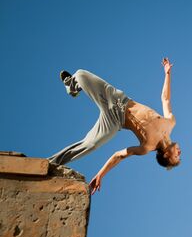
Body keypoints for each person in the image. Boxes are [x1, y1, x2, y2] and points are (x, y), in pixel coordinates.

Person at [47, 58, 181, 195]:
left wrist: (100, 174)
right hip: (117, 99)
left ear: (165, 155)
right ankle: (72, 86)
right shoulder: (171, 122)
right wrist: (167, 74)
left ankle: (50, 162)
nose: (179, 153)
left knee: (91, 144)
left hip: (115, 121)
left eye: (176, 157)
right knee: (80, 74)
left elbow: (119, 155)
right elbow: (165, 99)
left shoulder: (147, 147)